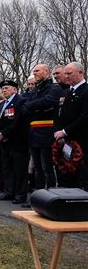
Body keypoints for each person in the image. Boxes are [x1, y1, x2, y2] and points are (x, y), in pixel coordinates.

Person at [22, 64, 62, 190]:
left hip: (47, 133)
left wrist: (32, 107)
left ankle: (50, 196)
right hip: (34, 134)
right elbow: (25, 107)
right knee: (37, 168)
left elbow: (48, 102)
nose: (35, 73)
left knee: (47, 167)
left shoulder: (54, 88)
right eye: (34, 71)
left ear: (46, 72)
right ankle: (38, 196)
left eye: (37, 71)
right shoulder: (35, 91)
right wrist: (37, 107)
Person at [54, 62, 88, 190]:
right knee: (67, 173)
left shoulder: (86, 91)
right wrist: (59, 132)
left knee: (81, 176)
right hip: (66, 142)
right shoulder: (66, 92)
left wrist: (65, 131)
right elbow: (59, 114)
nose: (66, 76)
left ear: (80, 73)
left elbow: (85, 117)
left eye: (70, 73)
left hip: (81, 140)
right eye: (65, 74)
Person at [0, 80, 29, 205]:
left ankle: (20, 194)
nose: (4, 90)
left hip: (17, 141)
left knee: (19, 169)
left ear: (15, 89)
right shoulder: (2, 103)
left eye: (7, 88)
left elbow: (17, 122)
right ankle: (9, 191)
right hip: (4, 142)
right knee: (7, 168)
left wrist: (4, 133)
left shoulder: (21, 101)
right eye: (2, 88)